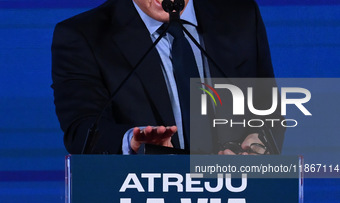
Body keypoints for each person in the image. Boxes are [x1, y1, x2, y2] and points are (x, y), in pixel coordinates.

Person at [51, 0, 285, 154]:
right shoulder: (84, 36)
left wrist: (260, 140)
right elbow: (81, 130)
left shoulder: (240, 16)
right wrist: (130, 141)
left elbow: (267, 106)